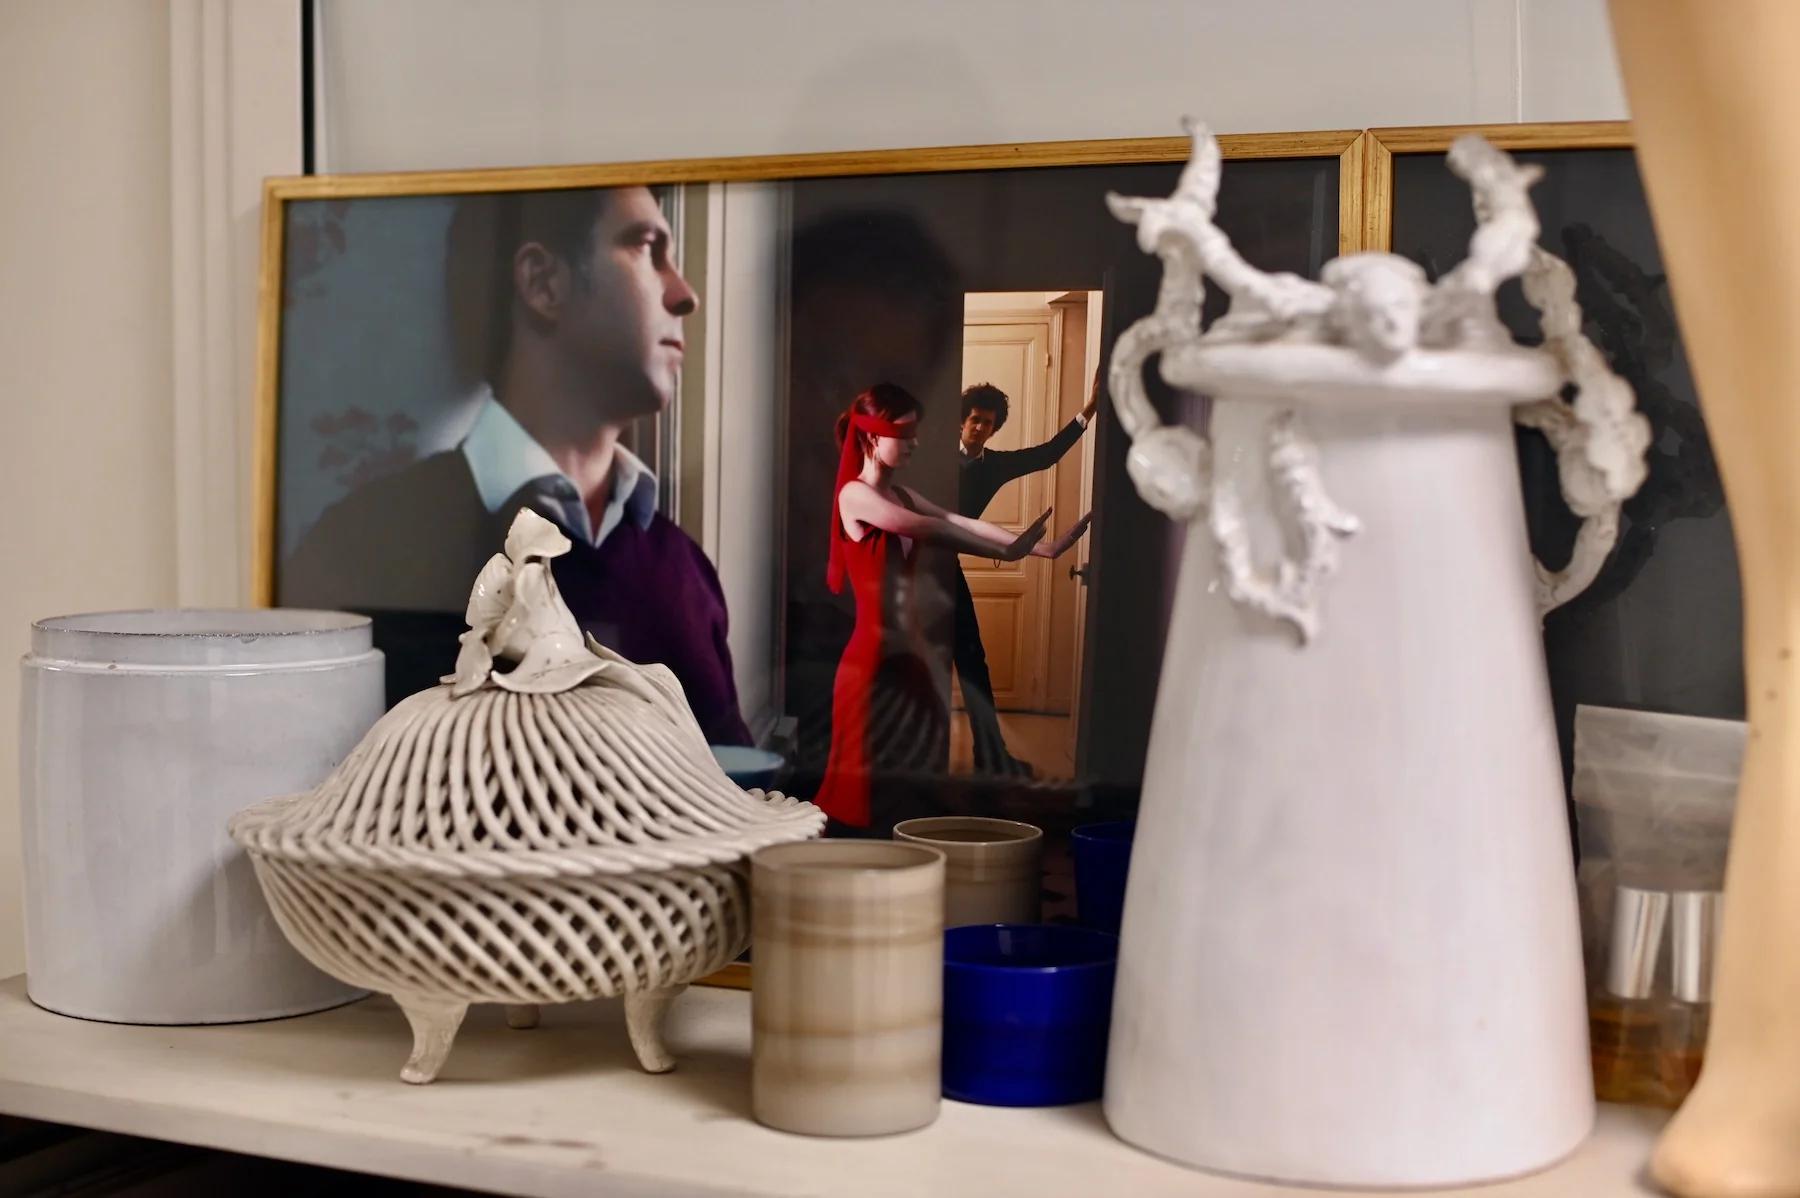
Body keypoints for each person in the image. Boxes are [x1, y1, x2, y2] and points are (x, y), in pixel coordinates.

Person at [283, 185, 753, 746]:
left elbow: (736, 791)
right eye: (646, 248)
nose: (685, 295)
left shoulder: (686, 569)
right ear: (542, 283)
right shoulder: (357, 548)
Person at [815, 383, 1090, 830]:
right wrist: (1006, 554)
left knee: (908, 793)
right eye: (903, 435)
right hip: (872, 662)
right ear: (870, 438)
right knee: (863, 801)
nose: (916, 443)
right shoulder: (854, 496)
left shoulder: (900, 494)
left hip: (913, 657)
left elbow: (956, 519)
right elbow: (928, 529)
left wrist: (1042, 549)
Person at [953, 378, 1100, 775]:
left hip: (946, 567)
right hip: (906, 569)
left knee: (973, 665)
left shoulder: (993, 465)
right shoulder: (932, 457)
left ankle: (992, 758)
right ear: (960, 421)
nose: (978, 427)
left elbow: (1047, 456)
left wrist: (1088, 409)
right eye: (972, 420)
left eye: (986, 422)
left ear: (995, 427)